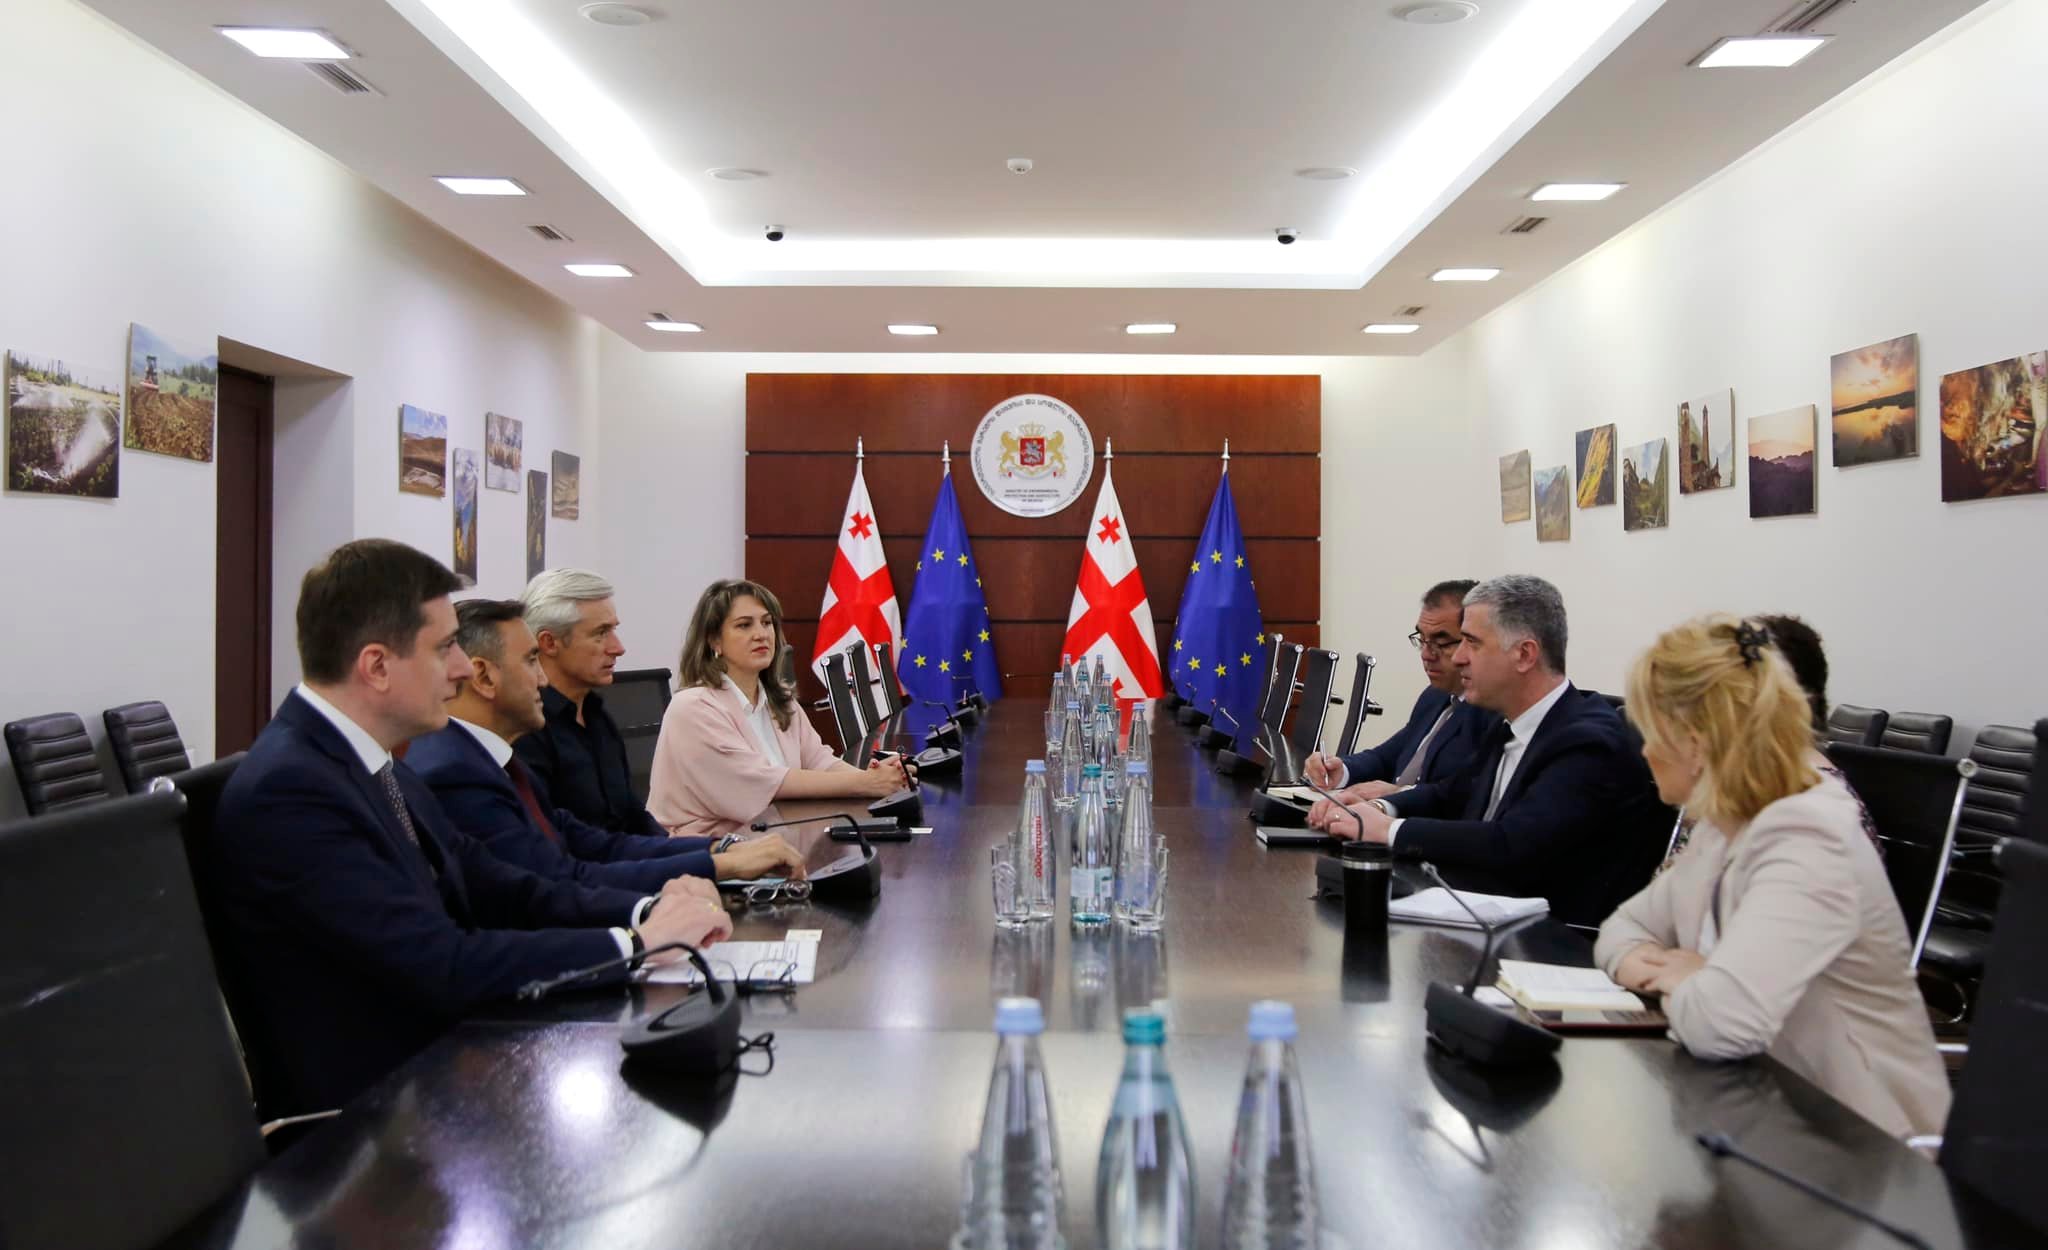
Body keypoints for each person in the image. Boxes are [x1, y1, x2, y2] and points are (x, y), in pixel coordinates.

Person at [208, 541, 732, 1117]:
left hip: (446, 1061)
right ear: (376, 666)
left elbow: (501, 885)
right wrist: (634, 945)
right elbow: (439, 964)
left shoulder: (374, 763)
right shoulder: (292, 791)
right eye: (444, 648)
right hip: (374, 1117)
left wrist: (646, 911)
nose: (461, 668)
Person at [1595, 615, 1949, 1139]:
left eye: (1651, 731)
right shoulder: (1725, 821)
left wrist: (1693, 977)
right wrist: (1691, 976)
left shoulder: (1810, 837)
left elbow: (1719, 1025)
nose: (1644, 750)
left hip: (1860, 1143)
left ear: (1696, 743)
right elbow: (1620, 930)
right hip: (1762, 1112)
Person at [1309, 574, 1672, 926]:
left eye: (1472, 643)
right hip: (1480, 914)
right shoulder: (1509, 723)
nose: (1459, 657)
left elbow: (1512, 843)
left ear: (1524, 655)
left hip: (1549, 941)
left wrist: (1389, 831)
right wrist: (1376, 808)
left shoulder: (1588, 742)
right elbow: (1448, 794)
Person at [409, 599, 806, 891]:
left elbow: (597, 840)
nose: (542, 680)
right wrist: (712, 869)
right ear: (482, 676)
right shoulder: (456, 771)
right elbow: (556, 882)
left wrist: (718, 852)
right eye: (531, 660)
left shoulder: (570, 728)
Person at [649, 578, 908, 838]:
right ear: (714, 640)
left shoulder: (779, 700)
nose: (761, 634)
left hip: (777, 839)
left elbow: (819, 761)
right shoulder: (693, 708)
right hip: (712, 852)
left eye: (767, 622)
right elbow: (763, 783)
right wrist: (865, 783)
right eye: (744, 625)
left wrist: (880, 778)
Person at [1304, 579, 1499, 817]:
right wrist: (1342, 770)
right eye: (1422, 640)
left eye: (1441, 642)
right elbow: (1387, 756)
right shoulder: (1435, 696)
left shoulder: (1493, 710)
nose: (1427, 654)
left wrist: (1398, 795)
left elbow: (1464, 796)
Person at [512, 568, 650, 834]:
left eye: (613, 630)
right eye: (601, 633)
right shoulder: (526, 729)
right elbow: (557, 841)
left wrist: (711, 850)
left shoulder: (597, 716)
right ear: (549, 643)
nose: (618, 648)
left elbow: (634, 816)